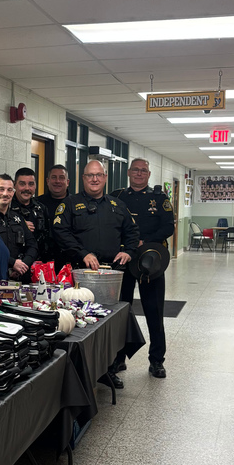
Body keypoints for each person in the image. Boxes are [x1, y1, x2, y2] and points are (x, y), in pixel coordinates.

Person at [52, 159, 139, 388]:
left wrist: (129, 252)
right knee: (84, 323)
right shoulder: (70, 204)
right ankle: (82, 372)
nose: (94, 179)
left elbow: (132, 232)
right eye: (90, 175)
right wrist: (83, 253)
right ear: (83, 178)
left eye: (98, 175)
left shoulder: (118, 205)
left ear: (105, 177)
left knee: (111, 324)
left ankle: (110, 368)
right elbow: (60, 232)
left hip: (112, 275)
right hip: (80, 276)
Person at [111, 158, 175, 379]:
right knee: (121, 311)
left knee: (154, 311)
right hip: (123, 260)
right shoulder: (117, 197)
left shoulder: (160, 198)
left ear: (148, 174)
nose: (139, 173)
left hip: (151, 261)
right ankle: (118, 358)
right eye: (136, 170)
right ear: (129, 172)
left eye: (143, 171)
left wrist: (145, 242)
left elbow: (168, 227)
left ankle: (157, 361)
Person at [0, 173, 38, 280]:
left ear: (13, 193)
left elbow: (33, 245)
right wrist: (13, 263)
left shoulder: (17, 218)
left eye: (9, 190)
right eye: (1, 189)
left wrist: (23, 266)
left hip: (19, 277)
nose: (5, 193)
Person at [13, 167, 51, 263]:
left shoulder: (41, 208)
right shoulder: (7, 208)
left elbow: (48, 238)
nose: (27, 188)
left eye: (31, 184)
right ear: (14, 185)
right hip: (16, 264)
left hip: (39, 264)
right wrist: (20, 226)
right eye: (22, 184)